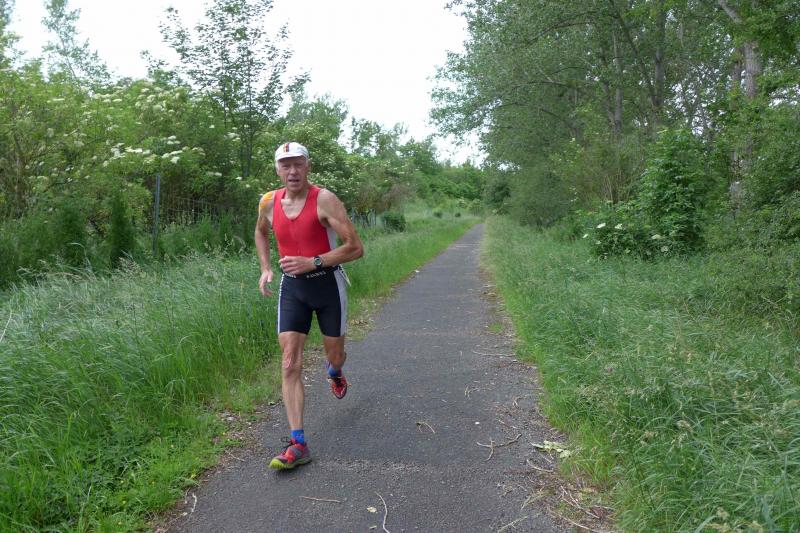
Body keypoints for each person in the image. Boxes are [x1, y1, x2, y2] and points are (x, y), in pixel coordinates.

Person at [254, 141, 364, 470]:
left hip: (327, 285)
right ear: (277, 169)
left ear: (308, 166)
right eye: (285, 165)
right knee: (289, 363)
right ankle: (298, 443)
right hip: (293, 289)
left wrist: (313, 261)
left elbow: (355, 247)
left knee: (335, 354)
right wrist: (265, 268)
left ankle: (335, 371)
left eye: (298, 164)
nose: (292, 171)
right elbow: (261, 233)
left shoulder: (324, 199)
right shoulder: (268, 202)